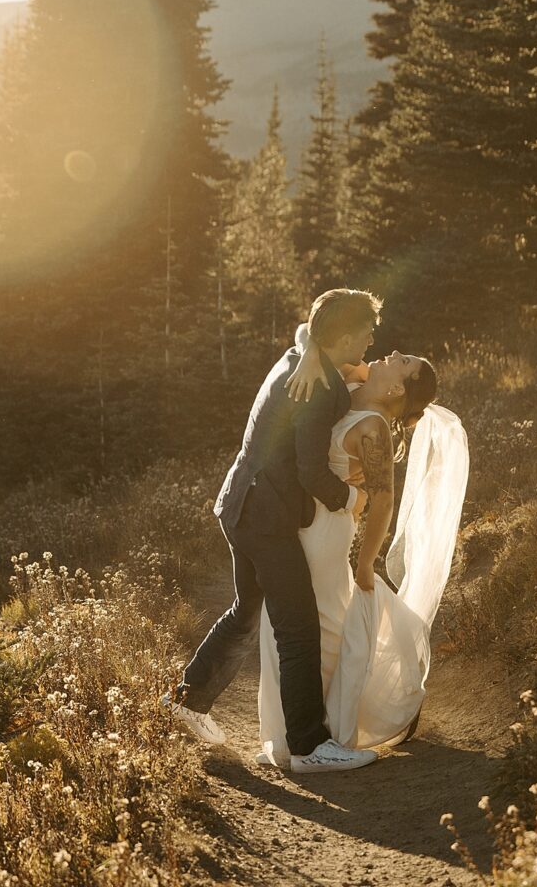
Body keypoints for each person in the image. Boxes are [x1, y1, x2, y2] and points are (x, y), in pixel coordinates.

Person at [162, 288, 386, 773]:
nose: (371, 339)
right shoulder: (320, 387)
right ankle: (308, 748)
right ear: (343, 336)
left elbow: (307, 331)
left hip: (240, 504)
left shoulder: (300, 356)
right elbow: (310, 471)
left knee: (247, 610)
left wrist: (309, 345)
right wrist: (352, 500)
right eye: (366, 332)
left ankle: (185, 700)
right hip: (265, 518)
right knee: (299, 628)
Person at [257, 332, 469, 766]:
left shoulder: (373, 427)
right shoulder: (350, 381)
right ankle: (283, 740)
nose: (392, 352)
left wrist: (367, 561)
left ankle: (319, 737)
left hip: (324, 533)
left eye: (402, 359)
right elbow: (310, 330)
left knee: (322, 628)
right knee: (278, 623)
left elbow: (384, 500)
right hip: (292, 523)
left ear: (396, 389)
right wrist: (311, 354)